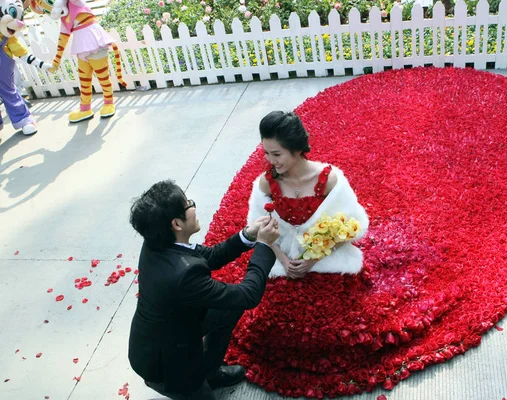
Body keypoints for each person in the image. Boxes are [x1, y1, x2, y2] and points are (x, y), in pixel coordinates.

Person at [128, 180, 279, 400]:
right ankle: (198, 381)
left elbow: (210, 257)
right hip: (165, 364)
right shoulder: (182, 275)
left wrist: (249, 234)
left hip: (176, 326)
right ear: (177, 224)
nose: (193, 206)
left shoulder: (157, 242)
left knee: (229, 309)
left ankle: (211, 371)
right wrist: (265, 246)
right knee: (199, 393)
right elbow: (248, 295)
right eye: (188, 203)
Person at [246, 111, 369, 278]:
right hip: (280, 261)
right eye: (266, 153)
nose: (270, 160)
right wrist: (284, 261)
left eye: (276, 154)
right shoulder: (267, 182)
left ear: (297, 149)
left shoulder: (329, 180)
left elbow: (351, 226)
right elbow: (258, 227)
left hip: (328, 260)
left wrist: (313, 259)